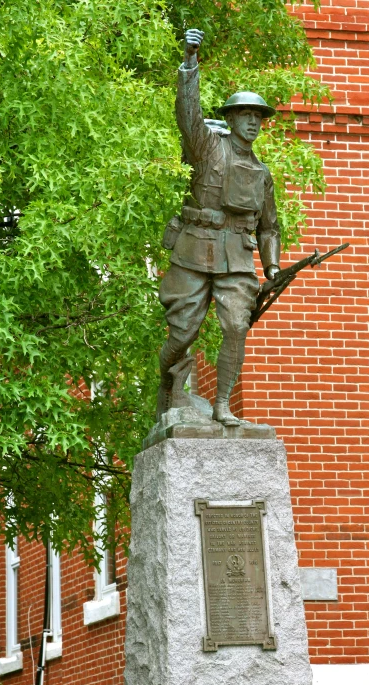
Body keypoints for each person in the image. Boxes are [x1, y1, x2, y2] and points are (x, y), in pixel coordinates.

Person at [157, 28, 281, 426]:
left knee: (235, 327)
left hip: (237, 257)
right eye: (245, 115)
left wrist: (273, 268)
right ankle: (167, 382)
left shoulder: (262, 173)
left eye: (258, 117)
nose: (253, 123)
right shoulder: (208, 146)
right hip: (195, 248)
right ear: (230, 119)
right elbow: (187, 113)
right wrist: (190, 62)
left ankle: (222, 404)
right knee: (182, 334)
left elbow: (269, 228)